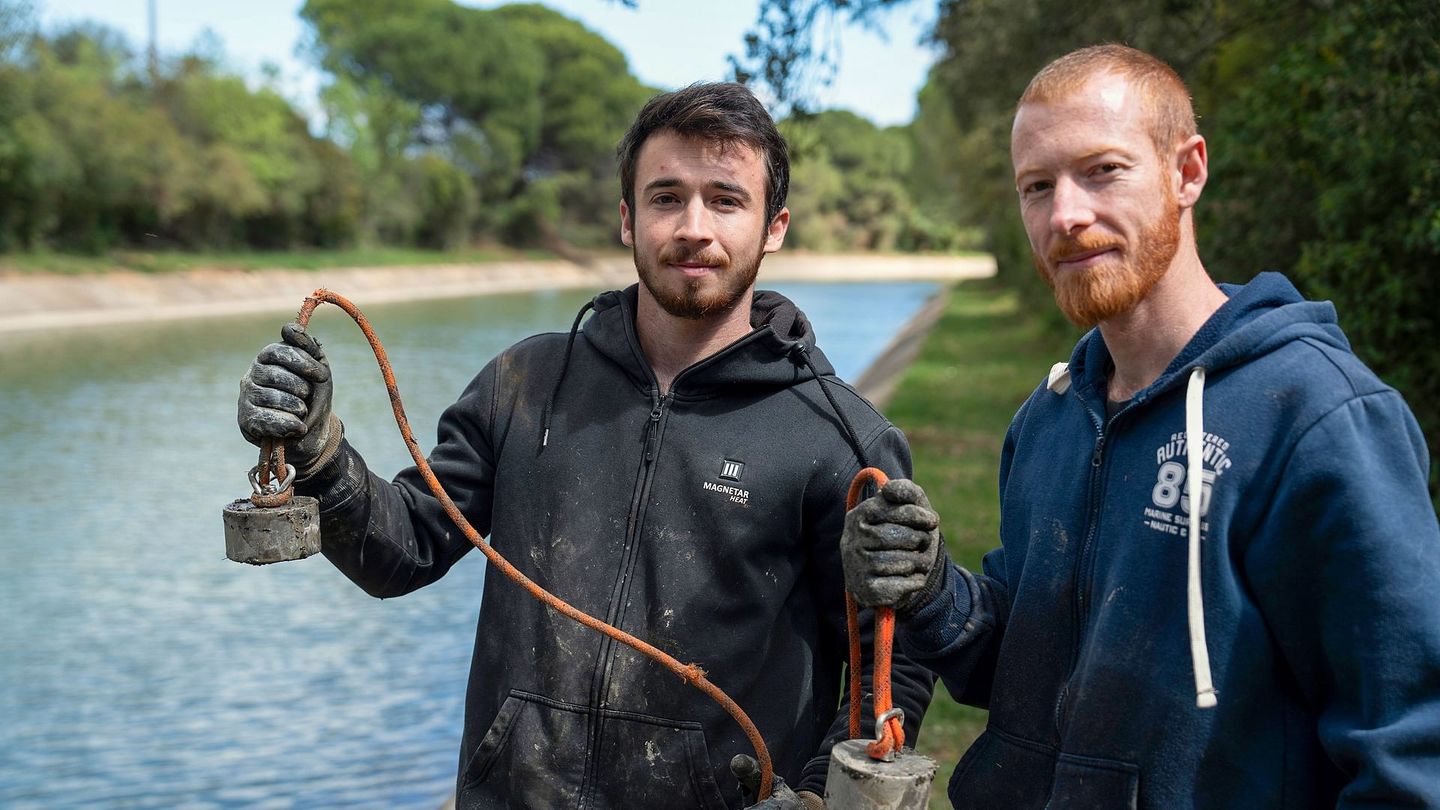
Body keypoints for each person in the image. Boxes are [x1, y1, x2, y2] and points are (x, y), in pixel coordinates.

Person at [238, 81, 933, 809]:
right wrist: (317, 454)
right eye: (667, 198)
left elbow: (894, 661)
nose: (694, 227)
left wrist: (820, 797)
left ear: (774, 227)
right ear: (628, 221)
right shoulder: (524, 383)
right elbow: (402, 549)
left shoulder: (841, 437)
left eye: (726, 200)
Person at [841, 44, 1440, 808]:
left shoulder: (1317, 419)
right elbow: (1030, 672)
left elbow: (1411, 751)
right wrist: (931, 595)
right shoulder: (1049, 417)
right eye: (1037, 185)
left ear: (1187, 172)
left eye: (1103, 171)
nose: (1066, 215)